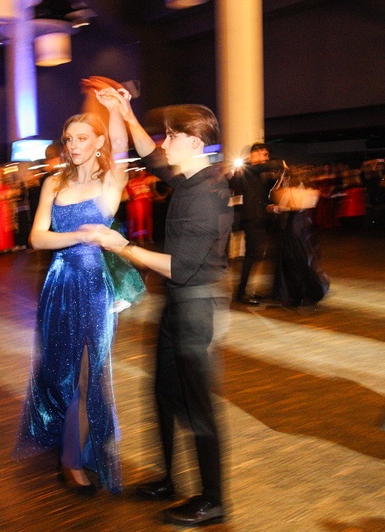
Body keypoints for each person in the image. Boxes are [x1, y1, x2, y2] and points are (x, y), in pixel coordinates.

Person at [86, 90, 232, 527]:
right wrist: (124, 112)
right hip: (178, 303)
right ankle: (170, 480)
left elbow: (181, 266)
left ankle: (214, 500)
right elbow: (151, 159)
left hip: (195, 308)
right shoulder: (192, 179)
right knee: (164, 394)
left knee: (198, 407)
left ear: (194, 142)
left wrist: (122, 247)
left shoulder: (204, 195)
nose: (163, 143)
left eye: (171, 136)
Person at [13, 100, 130, 495]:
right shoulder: (54, 183)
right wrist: (79, 236)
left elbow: (120, 144)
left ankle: (72, 460)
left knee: (88, 371)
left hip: (95, 286)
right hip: (58, 284)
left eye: (83, 138)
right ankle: (65, 437)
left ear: (98, 142)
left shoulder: (111, 179)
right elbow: (36, 238)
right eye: (69, 139)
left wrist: (117, 108)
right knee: (58, 369)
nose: (74, 145)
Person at [268, 166, 329, 307]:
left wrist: (274, 206)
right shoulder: (312, 192)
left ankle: (296, 295)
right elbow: (302, 207)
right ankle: (310, 292)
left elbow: (273, 197)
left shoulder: (290, 192)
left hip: (293, 228)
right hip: (305, 228)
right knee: (304, 260)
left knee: (292, 261)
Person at [229, 143, 282, 305]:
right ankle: (241, 293)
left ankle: (247, 291)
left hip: (259, 218)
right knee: (252, 256)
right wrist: (280, 164)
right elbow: (270, 165)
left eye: (267, 155)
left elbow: (260, 196)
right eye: (264, 154)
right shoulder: (248, 169)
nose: (266, 158)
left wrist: (268, 205)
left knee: (257, 255)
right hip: (252, 219)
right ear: (255, 154)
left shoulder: (258, 173)